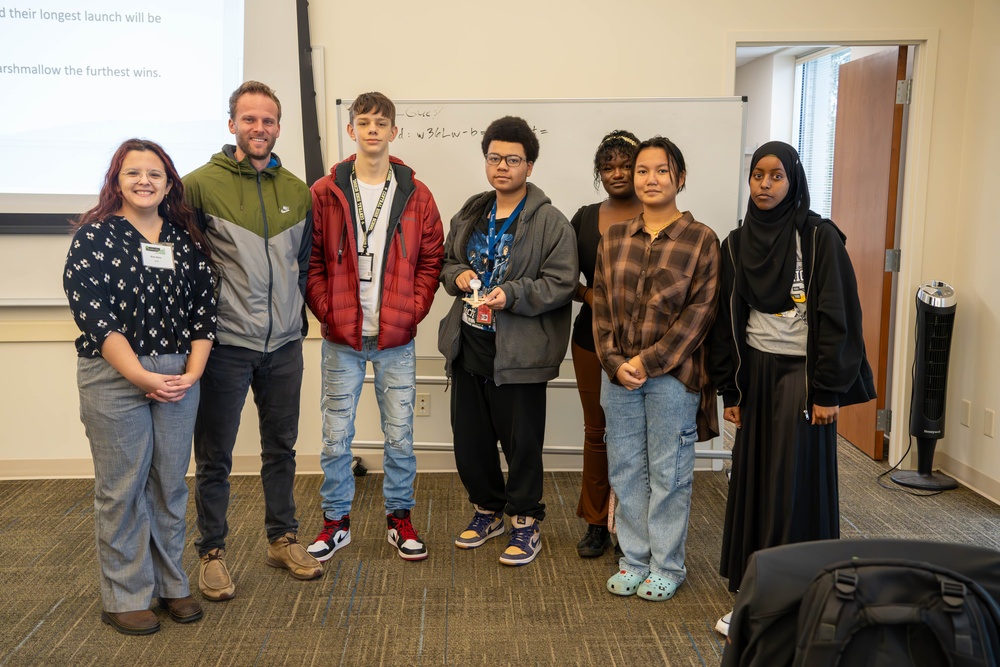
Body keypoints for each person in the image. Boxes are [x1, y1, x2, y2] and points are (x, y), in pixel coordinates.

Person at [710, 141, 874, 634]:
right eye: (757, 175)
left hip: (804, 376)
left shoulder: (820, 237)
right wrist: (732, 392)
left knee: (791, 482)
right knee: (756, 479)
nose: (764, 185)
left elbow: (839, 315)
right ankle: (755, 584)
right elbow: (726, 322)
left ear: (793, 180)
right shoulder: (735, 244)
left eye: (775, 176)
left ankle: (785, 598)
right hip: (757, 371)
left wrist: (827, 391)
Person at [64, 138, 217, 635]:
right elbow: (95, 317)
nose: (144, 181)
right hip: (114, 375)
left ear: (169, 183)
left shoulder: (185, 240)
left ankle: (172, 584)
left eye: (155, 173)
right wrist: (140, 375)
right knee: (123, 489)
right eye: (133, 173)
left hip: (178, 373)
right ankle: (126, 594)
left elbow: (203, 315)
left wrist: (190, 375)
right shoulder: (94, 238)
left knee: (170, 485)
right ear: (117, 180)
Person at [183, 80, 321, 601]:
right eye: (249, 119)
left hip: (284, 345)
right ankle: (212, 553)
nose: (259, 128)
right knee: (214, 454)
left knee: (280, 446)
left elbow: (304, 264)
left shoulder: (296, 190)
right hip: (225, 346)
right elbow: (185, 267)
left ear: (278, 127)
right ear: (232, 123)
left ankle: (282, 539)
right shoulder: (199, 185)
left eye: (268, 120)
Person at [305, 92, 444, 562]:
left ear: (393, 131)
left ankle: (399, 519)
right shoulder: (325, 192)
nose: (371, 130)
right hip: (342, 338)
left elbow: (431, 259)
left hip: (395, 340)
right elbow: (312, 262)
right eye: (363, 122)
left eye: (380, 123)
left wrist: (412, 309)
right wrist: (329, 310)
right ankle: (336, 522)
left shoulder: (416, 193)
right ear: (351, 131)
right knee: (334, 437)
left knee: (400, 435)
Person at [438, 116, 578, 566]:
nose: (502, 166)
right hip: (470, 344)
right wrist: (457, 274)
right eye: (494, 158)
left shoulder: (551, 221)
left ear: (529, 166)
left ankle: (525, 522)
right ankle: (487, 511)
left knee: (521, 444)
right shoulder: (472, 211)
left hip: (519, 350)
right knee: (470, 442)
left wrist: (513, 293)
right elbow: (447, 261)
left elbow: (561, 282)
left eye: (513, 159)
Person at [593, 136, 720, 601]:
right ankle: (633, 559)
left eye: (661, 171)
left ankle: (667, 565)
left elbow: (699, 315)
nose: (649, 179)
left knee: (669, 474)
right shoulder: (613, 238)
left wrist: (646, 362)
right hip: (618, 377)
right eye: (643, 170)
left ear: (679, 178)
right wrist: (613, 362)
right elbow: (601, 307)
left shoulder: (702, 239)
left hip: (672, 380)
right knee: (626, 471)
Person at [569, 130, 643, 559]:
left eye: (625, 165)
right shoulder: (583, 217)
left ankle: (631, 525)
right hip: (589, 338)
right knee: (596, 433)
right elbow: (564, 279)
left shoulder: (657, 215)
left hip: (641, 343)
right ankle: (597, 523)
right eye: (608, 167)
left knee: (634, 437)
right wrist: (587, 295)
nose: (617, 173)